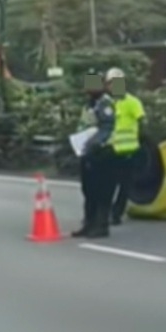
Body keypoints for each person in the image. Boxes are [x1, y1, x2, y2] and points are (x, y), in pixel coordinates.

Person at [71, 71, 116, 239]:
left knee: (102, 191)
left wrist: (93, 144)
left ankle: (101, 226)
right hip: (87, 151)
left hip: (102, 152)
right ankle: (89, 223)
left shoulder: (105, 104)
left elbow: (107, 128)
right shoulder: (90, 104)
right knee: (88, 190)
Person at [106, 67, 146, 225]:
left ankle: (116, 214)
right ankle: (105, 212)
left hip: (128, 152)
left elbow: (142, 122)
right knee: (108, 185)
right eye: (110, 83)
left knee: (124, 187)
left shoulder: (132, 102)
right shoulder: (107, 103)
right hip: (110, 152)